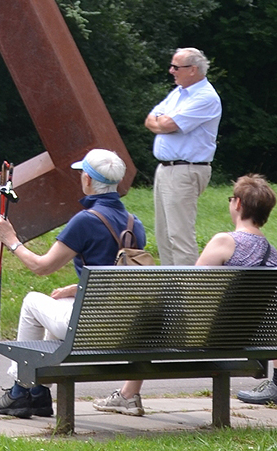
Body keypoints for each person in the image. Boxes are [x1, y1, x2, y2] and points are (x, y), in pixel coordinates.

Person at [94, 173, 277, 416]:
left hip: (210, 338)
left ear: (239, 204)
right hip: (248, 339)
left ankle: (127, 396)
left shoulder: (225, 241)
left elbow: (190, 287)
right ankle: (127, 395)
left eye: (231, 199)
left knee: (150, 315)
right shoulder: (271, 254)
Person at [0, 148, 147, 419]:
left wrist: (11, 240)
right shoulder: (136, 224)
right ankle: (37, 391)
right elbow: (115, 276)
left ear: (87, 179)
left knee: (32, 302)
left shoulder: (86, 221)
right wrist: (75, 289)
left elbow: (43, 267)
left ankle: (21, 389)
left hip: (88, 326)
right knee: (59, 302)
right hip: (122, 324)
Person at [145, 47, 221, 266]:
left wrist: (163, 122)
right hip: (167, 169)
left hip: (185, 169)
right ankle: (171, 290)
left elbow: (168, 123)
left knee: (180, 235)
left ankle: (188, 293)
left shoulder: (206, 97)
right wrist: (162, 122)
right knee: (164, 234)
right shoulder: (179, 93)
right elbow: (151, 119)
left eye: (176, 67)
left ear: (193, 70)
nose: (171, 71)